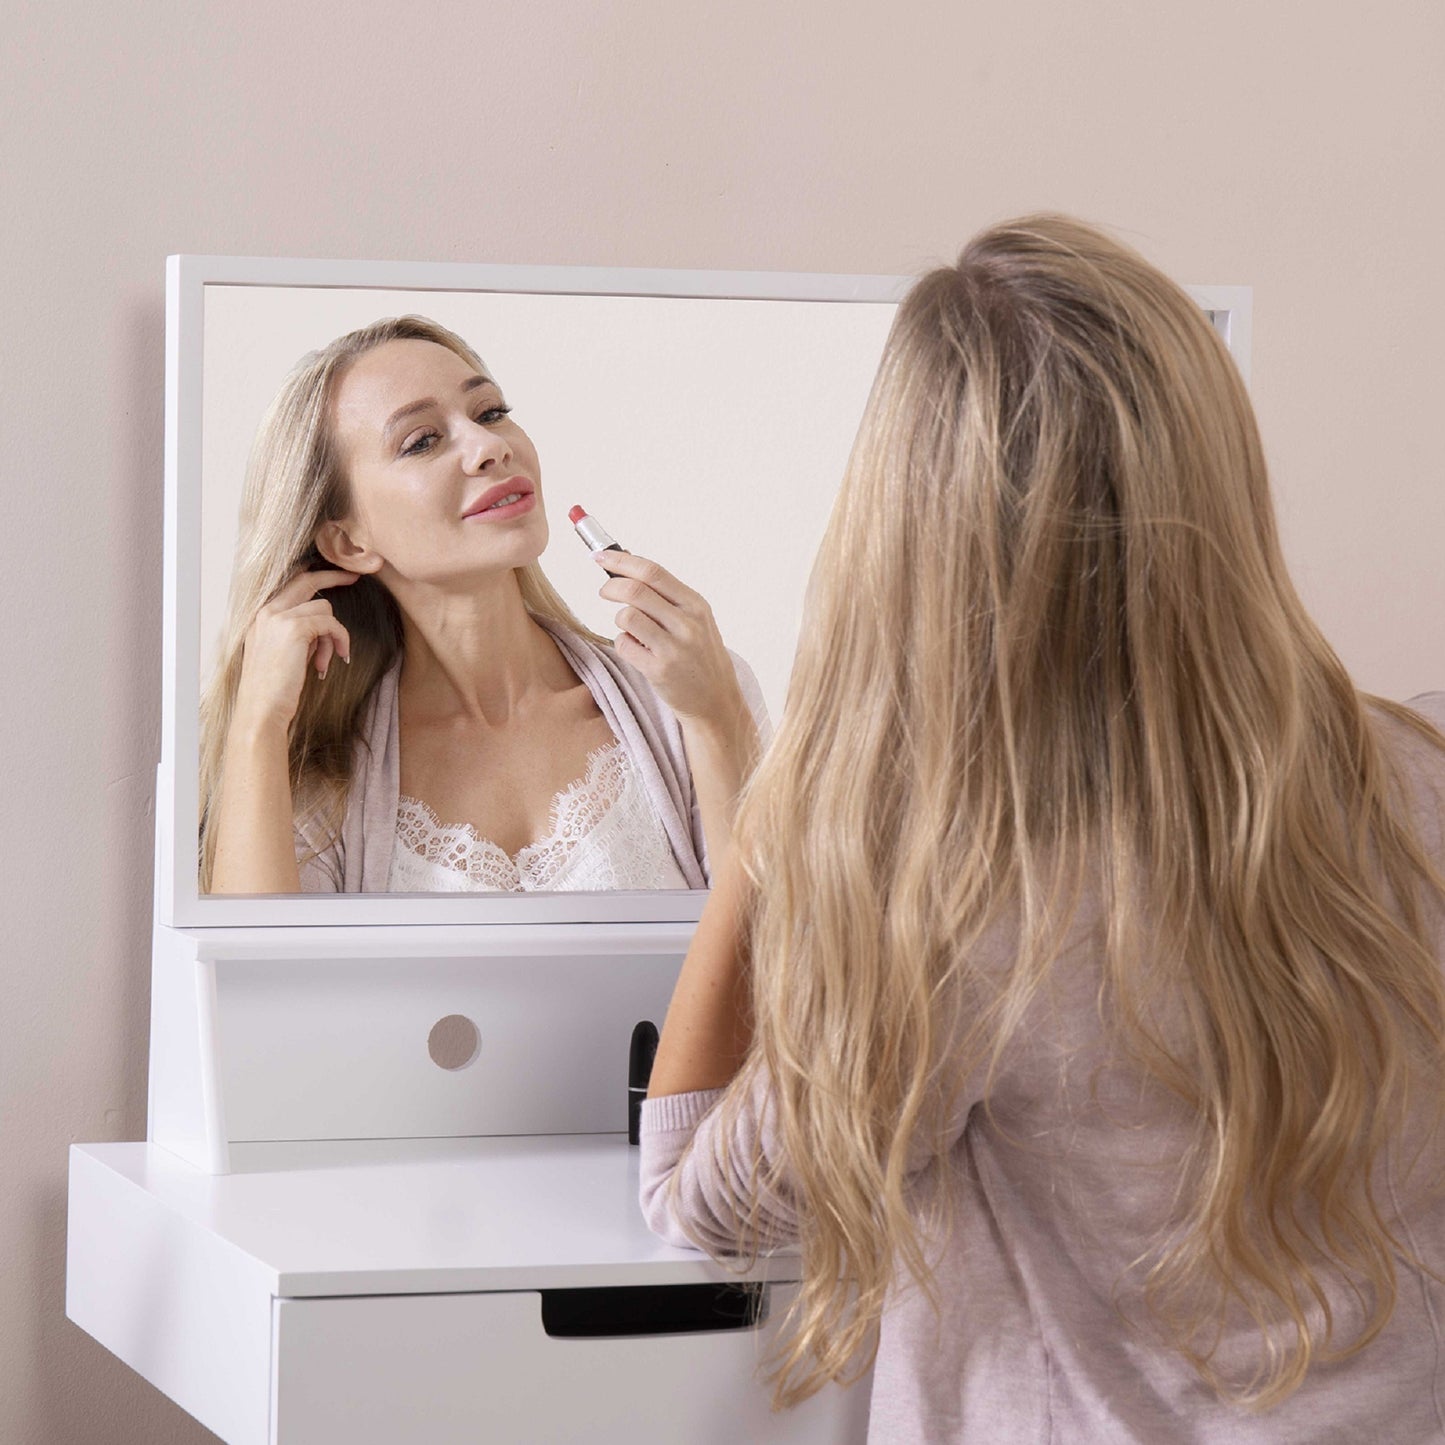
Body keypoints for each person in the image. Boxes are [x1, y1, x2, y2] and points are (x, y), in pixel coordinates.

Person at [639, 215, 1445, 1441]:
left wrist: (768, 808)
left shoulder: (966, 899)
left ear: (909, 532)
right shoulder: (1416, 770)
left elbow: (705, 1206)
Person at [200, 315, 764, 894]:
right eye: (422, 440)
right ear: (348, 542)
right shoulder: (318, 772)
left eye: (490, 412)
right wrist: (258, 725)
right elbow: (259, 977)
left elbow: (786, 961)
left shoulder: (689, 697)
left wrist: (715, 717)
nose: (490, 447)